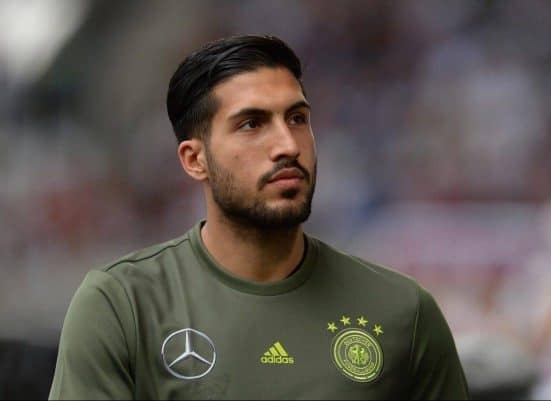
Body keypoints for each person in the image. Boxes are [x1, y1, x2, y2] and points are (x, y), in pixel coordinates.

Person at [49, 34, 469, 400]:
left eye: (297, 119)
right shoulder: (122, 306)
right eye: (252, 124)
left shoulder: (403, 312)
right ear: (195, 160)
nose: (287, 144)